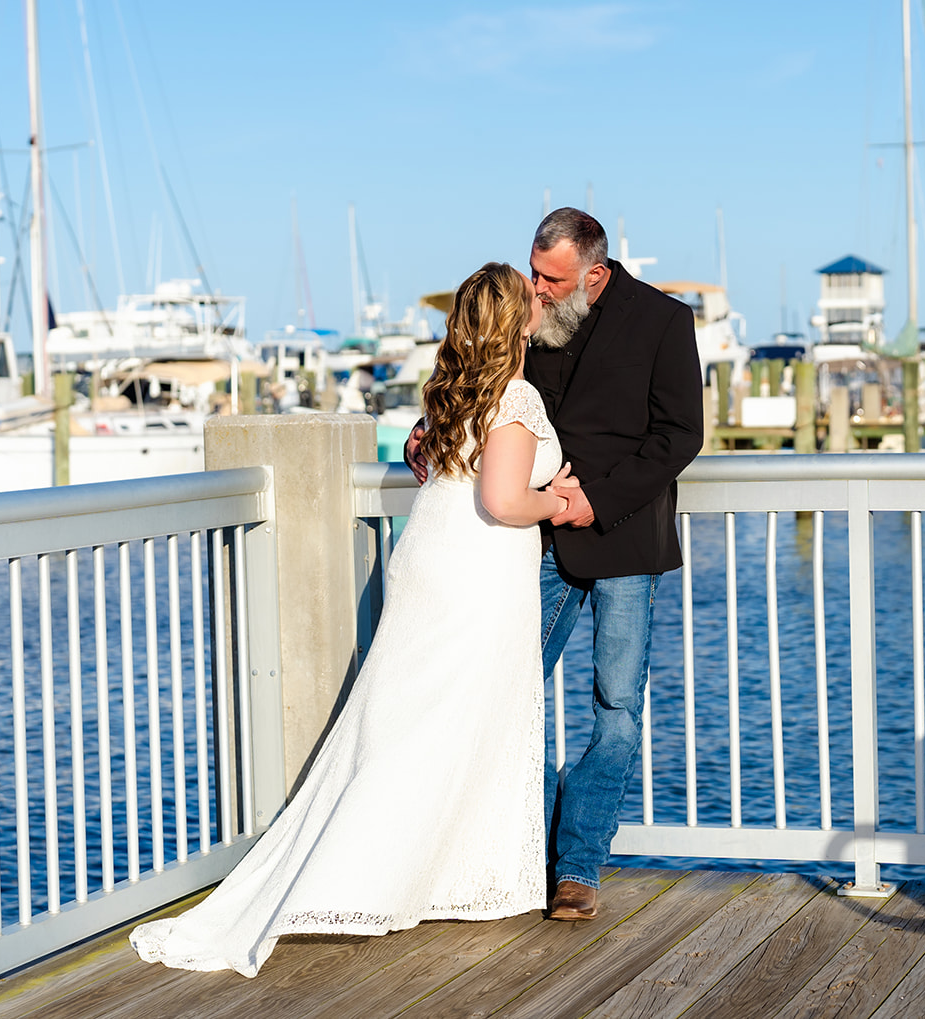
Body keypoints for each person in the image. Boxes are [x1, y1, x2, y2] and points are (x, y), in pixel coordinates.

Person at [131, 262, 576, 977]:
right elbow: (501, 498)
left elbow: (428, 460)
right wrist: (554, 501)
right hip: (479, 573)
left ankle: (428, 871)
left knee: (403, 722)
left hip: (430, 558)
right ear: (516, 318)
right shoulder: (515, 394)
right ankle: (395, 874)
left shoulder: (457, 387)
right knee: (456, 722)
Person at [407, 209, 704, 920]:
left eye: (552, 278)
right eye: (534, 272)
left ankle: (577, 866)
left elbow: (679, 436)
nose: (536, 289)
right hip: (538, 544)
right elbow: (486, 385)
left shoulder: (664, 321)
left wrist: (591, 502)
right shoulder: (532, 313)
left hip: (625, 537)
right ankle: (525, 852)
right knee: (512, 693)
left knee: (616, 709)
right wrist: (432, 429)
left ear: (594, 274)